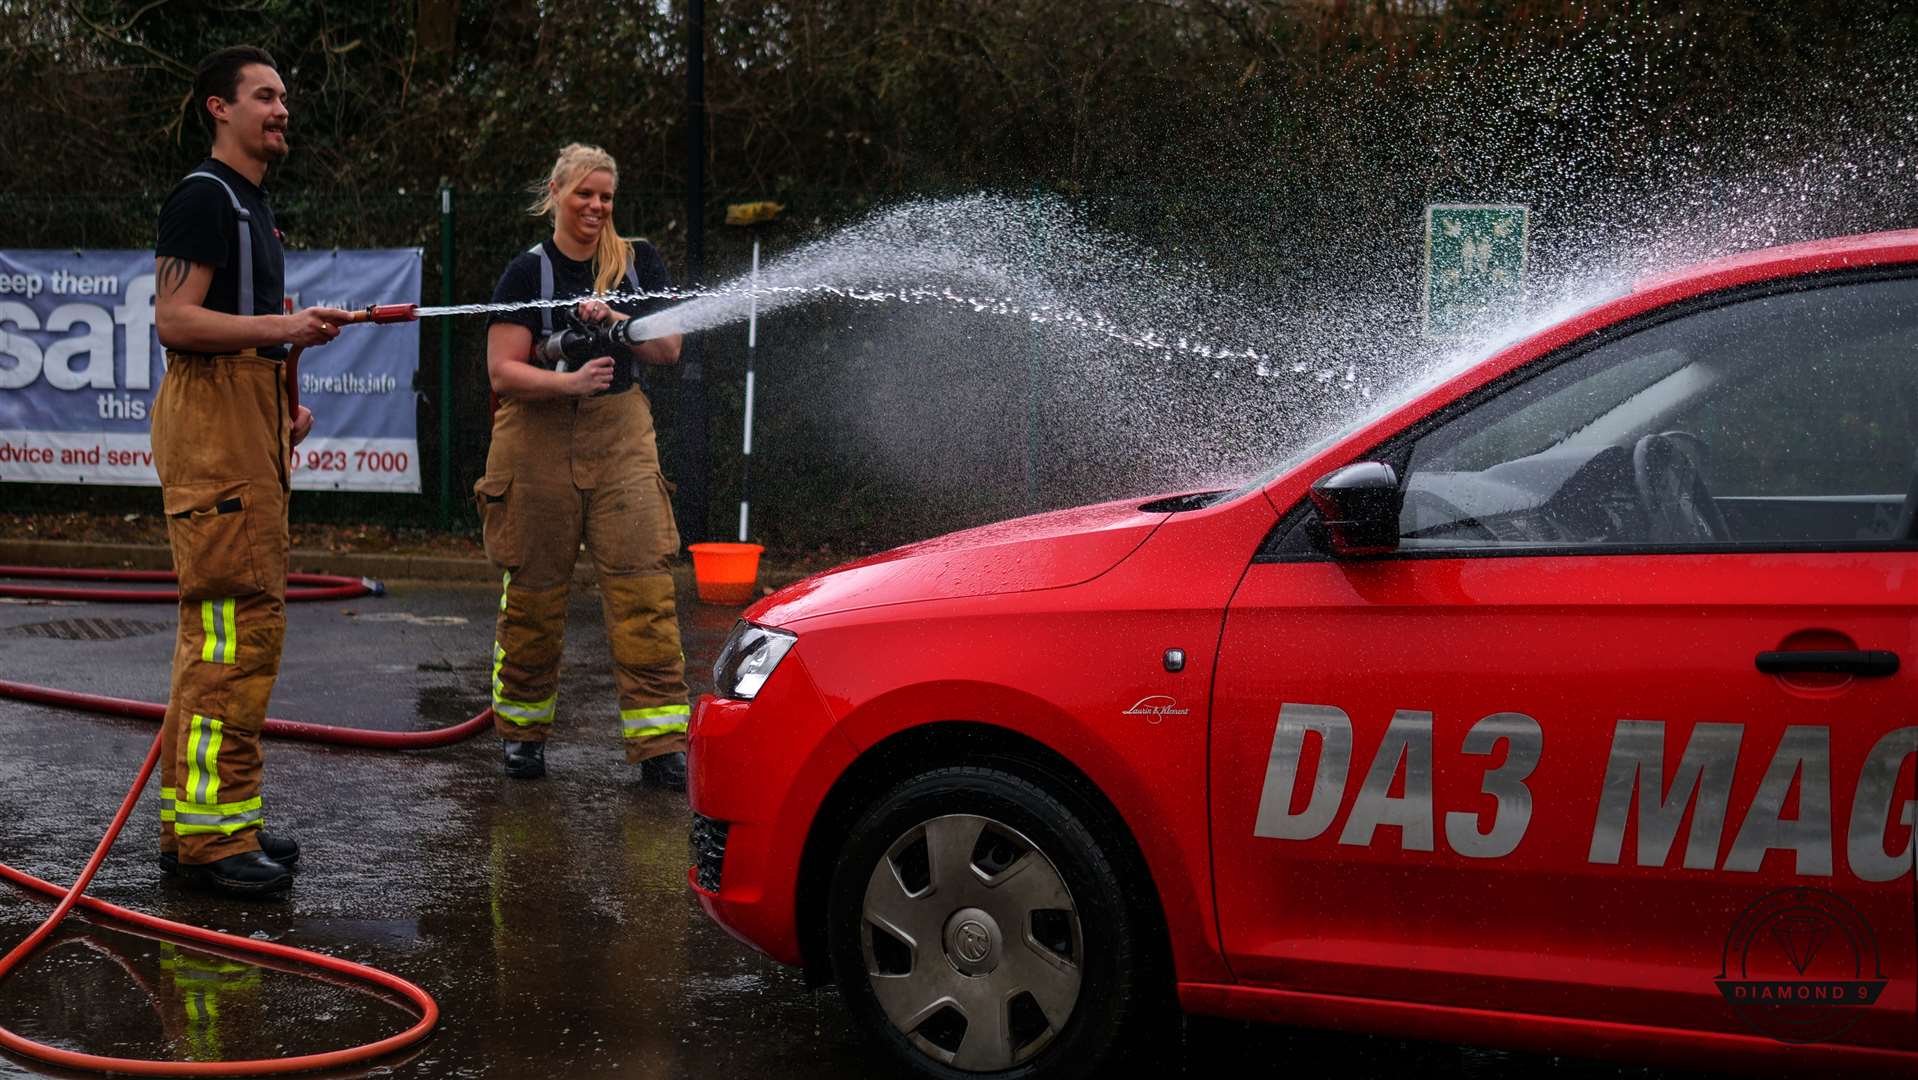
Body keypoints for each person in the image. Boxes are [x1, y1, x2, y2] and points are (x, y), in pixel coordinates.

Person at [151, 45, 356, 896]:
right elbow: (176, 319)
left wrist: (287, 406)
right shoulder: (205, 199)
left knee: (241, 625)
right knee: (229, 629)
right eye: (263, 97)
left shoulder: (253, 210)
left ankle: (214, 814)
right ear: (217, 109)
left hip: (248, 425)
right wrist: (285, 336)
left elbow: (264, 327)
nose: (281, 110)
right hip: (214, 424)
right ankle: (208, 842)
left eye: (284, 98)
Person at [474, 143, 691, 789]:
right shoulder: (526, 274)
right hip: (535, 433)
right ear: (557, 193)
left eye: (606, 197)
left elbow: (670, 348)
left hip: (621, 431)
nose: (596, 207)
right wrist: (564, 385)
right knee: (535, 593)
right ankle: (522, 736)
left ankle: (659, 744)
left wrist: (619, 319)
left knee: (644, 587)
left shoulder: (636, 261)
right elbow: (502, 368)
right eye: (584, 194)